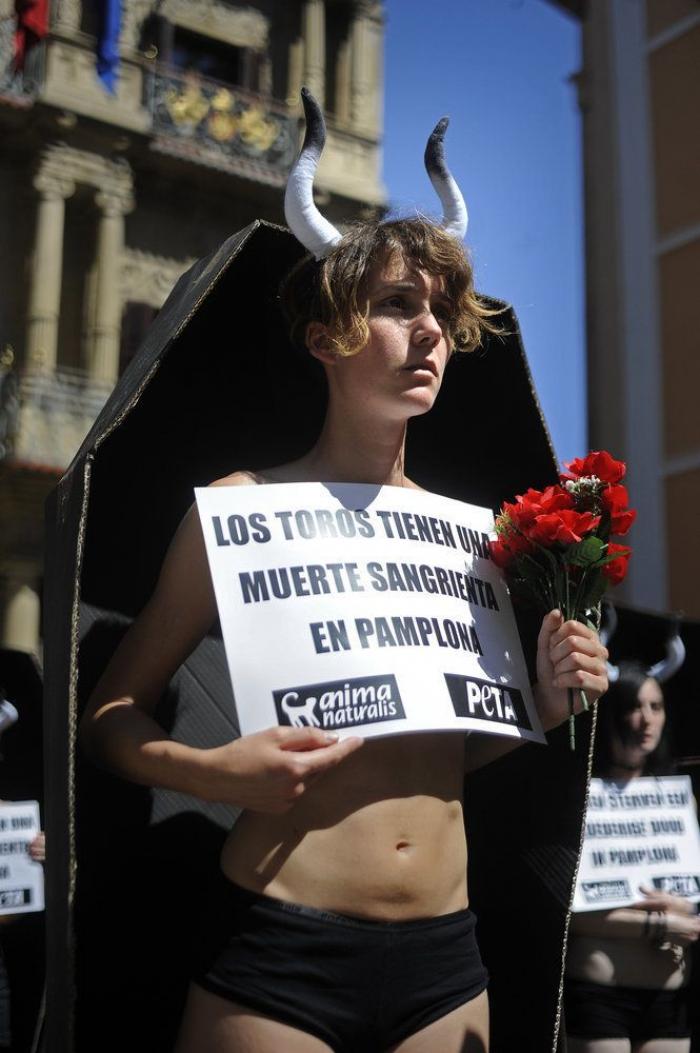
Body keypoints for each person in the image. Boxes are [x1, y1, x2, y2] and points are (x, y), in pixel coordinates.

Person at [80, 91, 609, 1053]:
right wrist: (209, 770)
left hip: (450, 957)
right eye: (398, 306)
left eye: (442, 311)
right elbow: (112, 715)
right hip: (277, 951)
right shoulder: (238, 510)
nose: (431, 331)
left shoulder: (471, 537)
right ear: (329, 336)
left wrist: (545, 699)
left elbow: (456, 752)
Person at [565, 657, 700, 1053]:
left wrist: (685, 910)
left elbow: (692, 899)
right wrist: (660, 923)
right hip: (600, 988)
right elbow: (572, 912)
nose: (646, 720)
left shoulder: (680, 800)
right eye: (634, 707)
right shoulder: (581, 797)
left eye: (655, 707)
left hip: (669, 996)